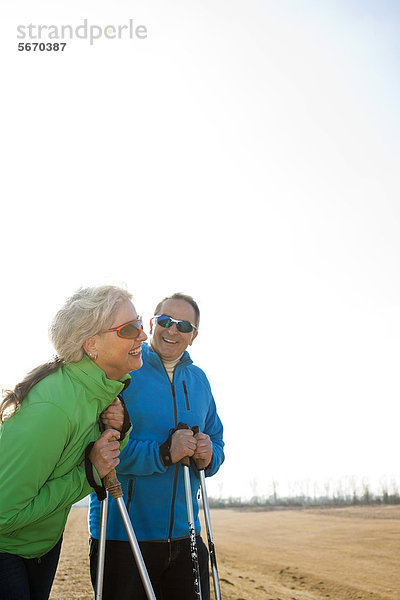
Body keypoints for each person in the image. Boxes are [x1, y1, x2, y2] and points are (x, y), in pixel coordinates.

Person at [0, 285, 147, 600]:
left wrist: (121, 429)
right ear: (91, 344)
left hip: (42, 546)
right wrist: (88, 472)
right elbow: (3, 514)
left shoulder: (99, 392)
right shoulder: (52, 408)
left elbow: (103, 457)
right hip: (6, 550)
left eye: (141, 324)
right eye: (130, 329)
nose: (143, 337)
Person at [89, 292, 224, 600]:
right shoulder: (124, 372)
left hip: (185, 535)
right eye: (165, 321)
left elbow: (217, 440)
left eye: (183, 326)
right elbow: (102, 450)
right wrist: (165, 453)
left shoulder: (200, 380)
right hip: (123, 533)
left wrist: (208, 454)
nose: (172, 330)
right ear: (151, 324)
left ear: (194, 335)